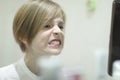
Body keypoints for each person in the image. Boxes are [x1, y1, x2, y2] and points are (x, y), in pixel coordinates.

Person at [0, 0, 66, 80]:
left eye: (61, 26)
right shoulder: (4, 76)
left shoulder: (61, 76)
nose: (58, 31)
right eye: (47, 26)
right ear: (23, 35)